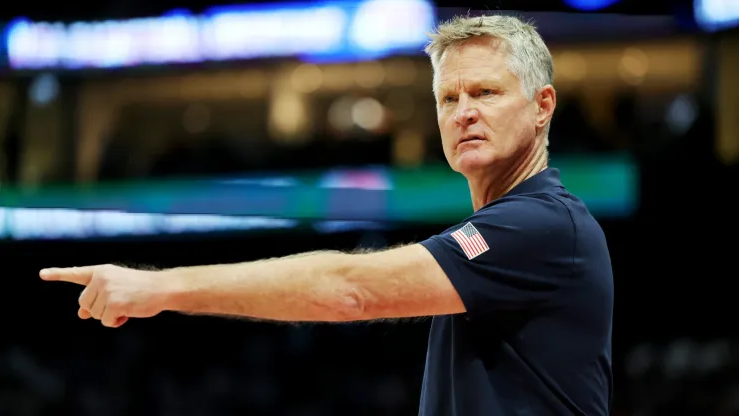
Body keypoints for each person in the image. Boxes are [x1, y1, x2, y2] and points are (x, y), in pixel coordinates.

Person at [40, 14, 613, 416]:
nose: (463, 112)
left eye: (485, 92)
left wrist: (157, 289)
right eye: (448, 98)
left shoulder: (542, 225)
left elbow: (348, 290)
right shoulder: (515, 228)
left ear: (543, 107)